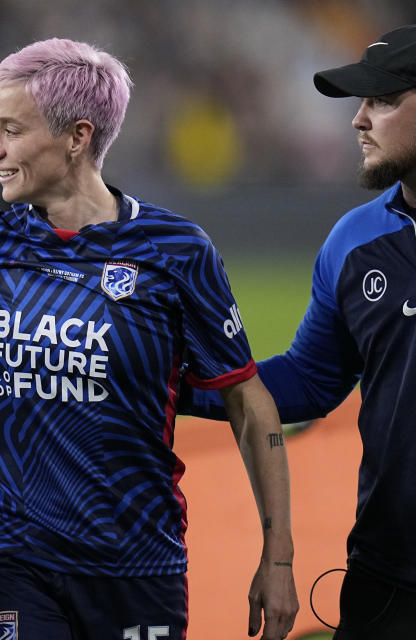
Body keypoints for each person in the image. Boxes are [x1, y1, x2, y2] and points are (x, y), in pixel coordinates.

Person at [0, 38, 300, 639]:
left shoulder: (177, 251)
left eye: (10, 129)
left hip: (136, 565)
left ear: (78, 137)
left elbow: (246, 398)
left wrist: (280, 557)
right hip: (9, 557)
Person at [182, 24, 416, 640]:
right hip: (391, 578)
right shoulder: (355, 240)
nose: (359, 119)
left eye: (383, 100)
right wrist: (170, 383)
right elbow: (311, 379)